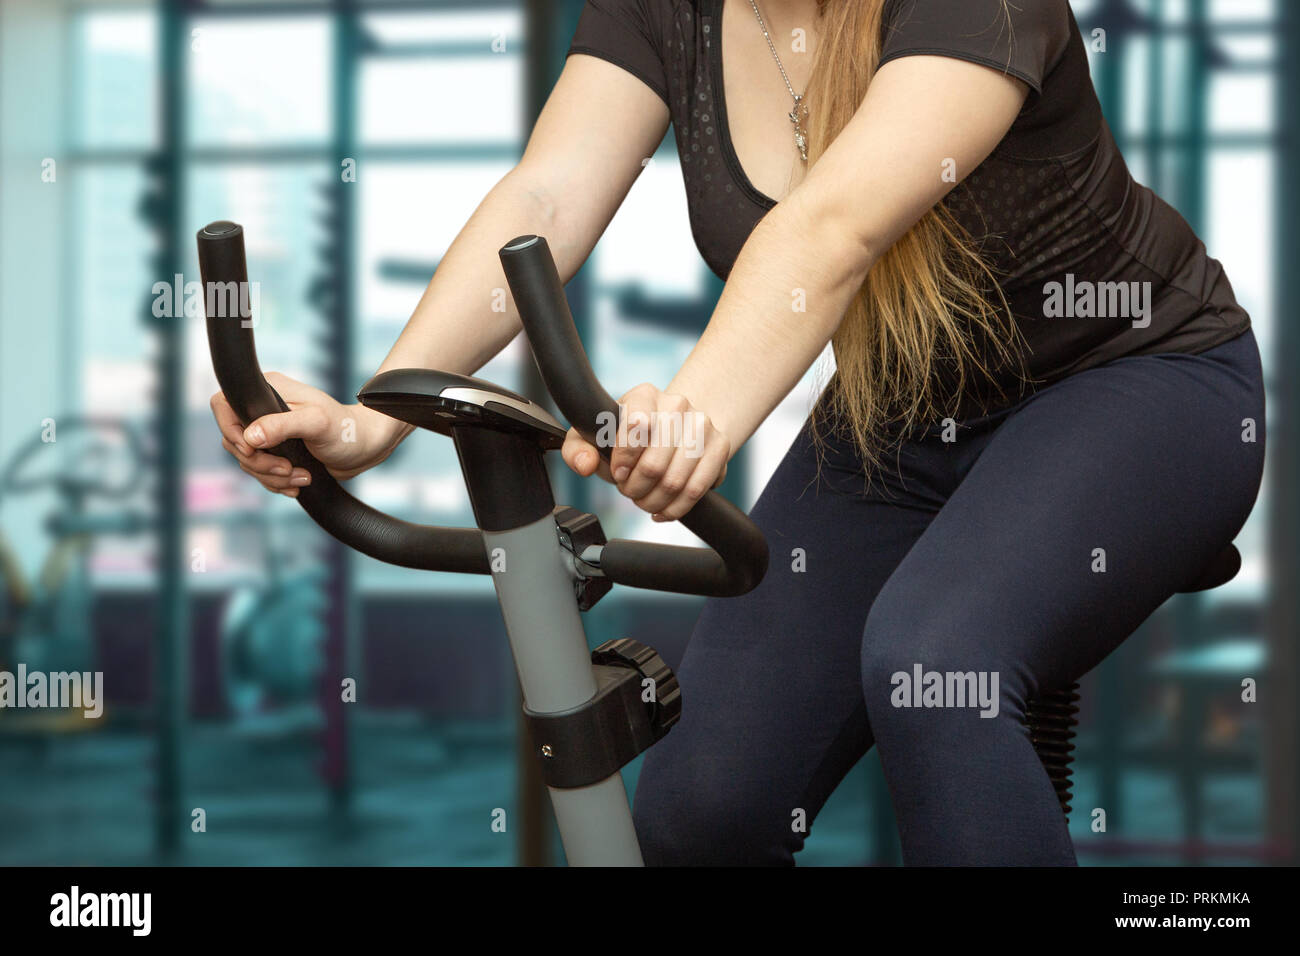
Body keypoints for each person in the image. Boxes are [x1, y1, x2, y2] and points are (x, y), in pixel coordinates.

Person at [210, 0, 1266, 865]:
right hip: (894, 420)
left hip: (1137, 379)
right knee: (701, 811)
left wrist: (696, 413)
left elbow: (832, 227)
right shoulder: (664, 10)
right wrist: (371, 415)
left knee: (935, 664)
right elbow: (546, 192)